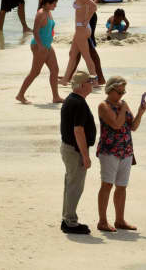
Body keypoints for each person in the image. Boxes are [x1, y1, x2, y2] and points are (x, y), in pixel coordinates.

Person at [95, 76, 146, 232]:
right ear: (110, 90)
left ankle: (120, 220)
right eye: (120, 92)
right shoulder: (103, 106)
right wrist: (123, 109)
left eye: (124, 92)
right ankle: (102, 221)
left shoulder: (123, 105)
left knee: (122, 186)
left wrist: (140, 112)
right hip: (110, 151)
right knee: (107, 184)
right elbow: (116, 124)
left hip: (126, 150)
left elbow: (133, 127)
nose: (122, 95)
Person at [59, 71, 96, 234]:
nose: (92, 84)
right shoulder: (78, 103)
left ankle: (67, 218)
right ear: (81, 86)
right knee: (75, 185)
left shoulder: (72, 100)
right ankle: (70, 222)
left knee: (70, 184)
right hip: (74, 150)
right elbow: (78, 131)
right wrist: (85, 156)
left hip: (69, 148)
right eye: (89, 81)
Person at [16, 0, 63, 104]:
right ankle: (20, 95)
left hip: (47, 45)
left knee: (55, 70)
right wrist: (41, 46)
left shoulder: (48, 12)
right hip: (39, 46)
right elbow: (35, 31)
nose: (55, 6)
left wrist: (50, 39)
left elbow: (48, 29)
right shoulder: (41, 13)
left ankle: (56, 97)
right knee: (35, 72)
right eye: (54, 4)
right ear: (47, 3)